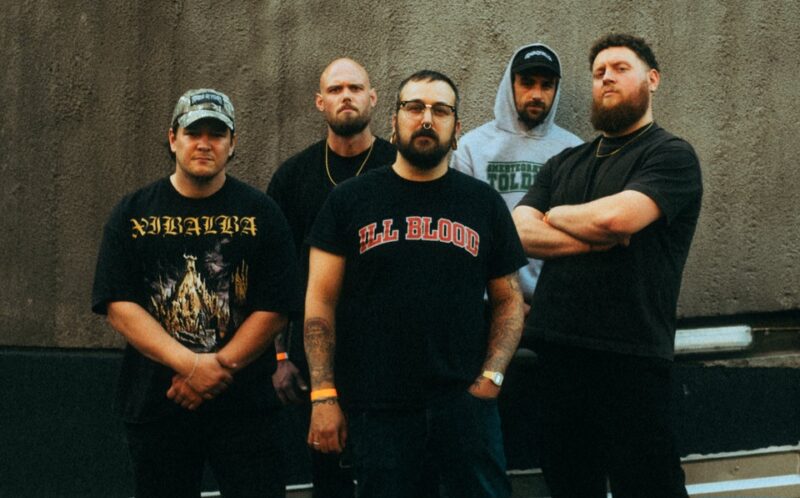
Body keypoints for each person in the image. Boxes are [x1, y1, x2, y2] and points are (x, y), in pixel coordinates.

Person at [304, 70, 527, 498]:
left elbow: (509, 300)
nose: (426, 119)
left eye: (441, 110)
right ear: (394, 120)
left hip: (465, 406)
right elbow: (320, 302)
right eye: (414, 108)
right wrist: (323, 395)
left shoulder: (482, 203)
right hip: (378, 410)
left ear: (456, 128)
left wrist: (492, 377)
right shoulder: (349, 200)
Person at [512, 34, 702, 497]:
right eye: (599, 72)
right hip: (558, 354)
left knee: (650, 487)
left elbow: (617, 219)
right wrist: (598, 239)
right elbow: (518, 231)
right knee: (571, 486)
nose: (606, 79)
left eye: (619, 68)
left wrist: (556, 216)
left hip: (631, 358)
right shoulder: (564, 162)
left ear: (652, 79)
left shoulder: (670, 155)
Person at [92, 88, 302, 498]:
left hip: (246, 409)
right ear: (173, 139)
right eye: (193, 132)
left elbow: (275, 307)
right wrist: (190, 365)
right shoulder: (133, 213)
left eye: (217, 134)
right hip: (159, 403)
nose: (205, 143)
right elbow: (118, 305)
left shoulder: (262, 213)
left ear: (232, 143)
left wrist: (216, 366)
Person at [266, 58, 395, 497]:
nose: (346, 97)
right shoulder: (293, 177)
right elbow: (274, 272)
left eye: (355, 88)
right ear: (320, 102)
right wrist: (279, 356)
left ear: (373, 99)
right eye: (336, 90)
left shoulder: (398, 167)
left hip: (389, 355)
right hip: (318, 355)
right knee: (330, 476)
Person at [451, 43, 582, 311]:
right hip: (486, 303)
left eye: (546, 85)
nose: (536, 94)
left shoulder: (574, 151)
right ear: (510, 84)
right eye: (527, 83)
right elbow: (461, 232)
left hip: (552, 306)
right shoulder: (472, 147)